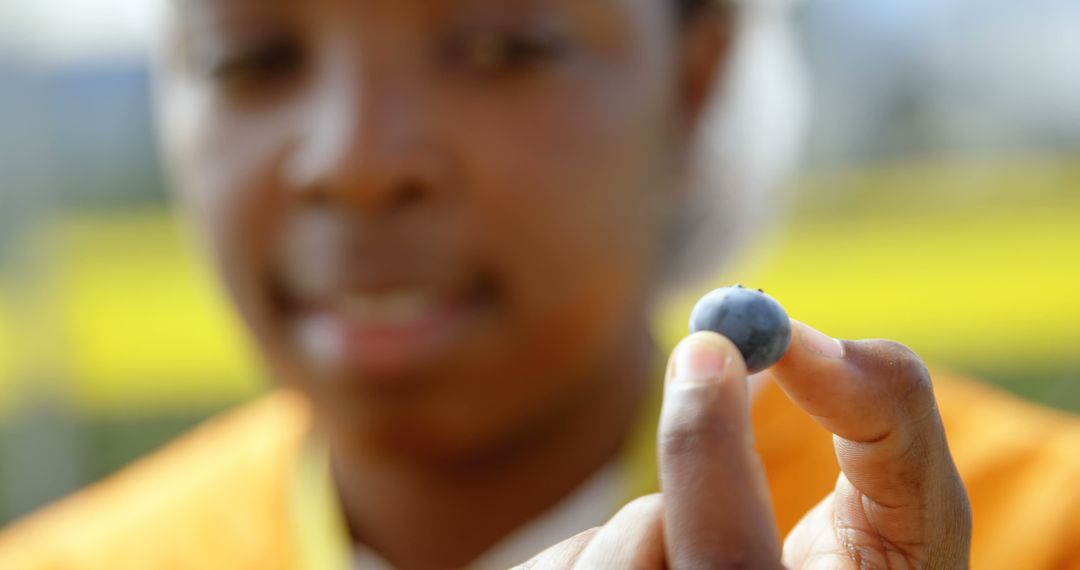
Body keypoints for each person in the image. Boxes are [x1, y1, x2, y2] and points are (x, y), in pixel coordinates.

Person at [1, 0, 1078, 568]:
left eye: (496, 47)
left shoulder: (1028, 531)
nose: (359, 161)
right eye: (253, 57)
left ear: (694, 84)